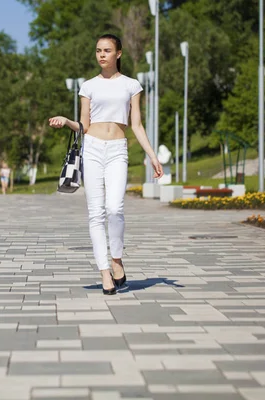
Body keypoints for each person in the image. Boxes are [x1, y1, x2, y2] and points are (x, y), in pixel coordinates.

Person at [49, 34, 164, 295]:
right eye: (98, 50)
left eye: (107, 50)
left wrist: (153, 156)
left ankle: (117, 259)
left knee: (115, 209)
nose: (102, 54)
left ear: (118, 54)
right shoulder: (88, 86)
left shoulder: (131, 85)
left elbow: (136, 125)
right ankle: (104, 272)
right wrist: (67, 122)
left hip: (117, 150)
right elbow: (84, 126)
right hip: (92, 149)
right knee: (96, 213)